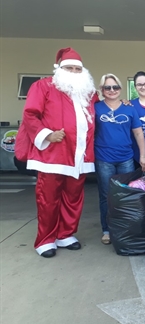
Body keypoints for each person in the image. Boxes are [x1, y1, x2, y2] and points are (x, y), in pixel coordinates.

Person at [22, 47, 99, 257]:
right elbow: (30, 114)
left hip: (80, 156)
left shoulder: (89, 93)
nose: (74, 72)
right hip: (53, 155)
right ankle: (45, 240)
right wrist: (47, 135)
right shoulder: (43, 86)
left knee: (73, 197)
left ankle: (65, 234)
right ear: (60, 69)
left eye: (77, 68)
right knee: (48, 198)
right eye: (69, 68)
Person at [94, 74, 145, 245]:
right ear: (102, 90)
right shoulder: (95, 108)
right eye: (107, 87)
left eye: (115, 87)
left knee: (126, 195)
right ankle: (107, 230)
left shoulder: (129, 108)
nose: (112, 90)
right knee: (106, 196)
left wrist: (142, 156)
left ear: (120, 89)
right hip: (103, 159)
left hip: (126, 158)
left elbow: (138, 133)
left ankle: (125, 228)